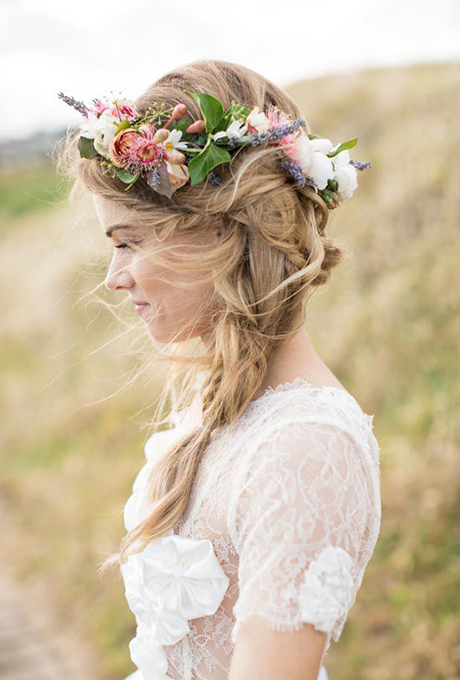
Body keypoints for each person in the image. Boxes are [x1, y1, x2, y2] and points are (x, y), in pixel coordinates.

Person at [56, 58, 381, 680]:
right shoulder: (225, 410)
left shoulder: (307, 447)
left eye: (128, 240)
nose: (113, 277)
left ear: (215, 234)